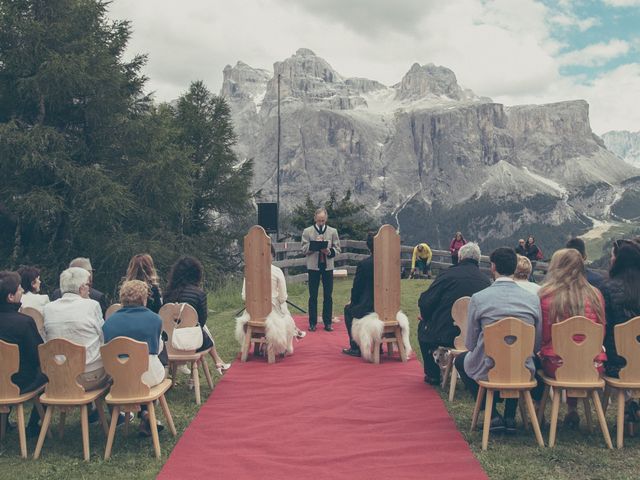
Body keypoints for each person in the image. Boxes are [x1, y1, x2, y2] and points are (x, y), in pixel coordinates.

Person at [455, 247, 541, 433]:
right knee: (514, 358)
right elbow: (537, 343)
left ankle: (492, 414)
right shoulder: (533, 300)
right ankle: (510, 415)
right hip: (522, 368)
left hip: (489, 366)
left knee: (461, 360)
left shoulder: (479, 298)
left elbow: (469, 343)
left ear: (493, 267)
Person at [538, 248, 606, 428]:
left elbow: (544, 336)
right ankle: (572, 409)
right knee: (578, 354)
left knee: (538, 359)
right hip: (592, 366)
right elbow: (601, 333)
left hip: (557, 365)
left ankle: (538, 409)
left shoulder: (546, 296)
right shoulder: (596, 295)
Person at [418, 243, 490, 385]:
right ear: (478, 260)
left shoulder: (446, 275)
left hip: (445, 334)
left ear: (460, 257)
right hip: (476, 337)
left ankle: (432, 374)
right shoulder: (486, 281)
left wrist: (426, 317)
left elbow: (426, 301)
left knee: (423, 329)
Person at [103, 280, 165, 437]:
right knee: (154, 367)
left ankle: (144, 415)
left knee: (137, 371)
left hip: (119, 378)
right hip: (147, 375)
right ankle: (146, 414)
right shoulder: (155, 319)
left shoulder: (108, 322)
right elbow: (157, 349)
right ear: (144, 298)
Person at [43, 267, 107, 390]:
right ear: (82, 287)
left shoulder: (48, 308)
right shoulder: (92, 305)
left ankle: (91, 408)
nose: (89, 289)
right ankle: (114, 408)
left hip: (58, 376)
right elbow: (103, 337)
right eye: (88, 285)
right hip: (89, 376)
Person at [0, 271, 47, 437]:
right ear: (10, 297)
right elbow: (38, 355)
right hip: (19, 382)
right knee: (48, 374)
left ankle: (3, 423)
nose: (22, 292)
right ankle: (34, 425)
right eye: (20, 289)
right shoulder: (24, 322)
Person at [164, 256, 230, 372]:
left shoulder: (167, 293)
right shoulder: (199, 294)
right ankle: (215, 363)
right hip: (192, 342)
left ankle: (217, 362)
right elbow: (202, 321)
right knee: (200, 328)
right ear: (196, 273)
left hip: (170, 343)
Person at [237, 245, 300, 356]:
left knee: (281, 308)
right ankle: (284, 347)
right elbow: (282, 297)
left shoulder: (249, 271)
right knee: (286, 315)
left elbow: (244, 296)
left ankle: (260, 347)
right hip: (272, 314)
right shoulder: (277, 271)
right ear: (272, 257)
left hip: (252, 314)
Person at [601, 241, 640, 380]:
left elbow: (604, 326)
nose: (611, 259)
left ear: (618, 261)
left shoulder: (607, 287)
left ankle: (629, 400)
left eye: (612, 256)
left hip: (618, 363)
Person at [300, 207, 341, 332]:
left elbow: (338, 249)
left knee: (328, 295)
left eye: (323, 220)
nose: (321, 223)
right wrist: (313, 246)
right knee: (313, 295)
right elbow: (303, 249)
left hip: (328, 267)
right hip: (313, 267)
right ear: (315, 219)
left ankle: (327, 322)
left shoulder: (333, 231)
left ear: (326, 219)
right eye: (319, 221)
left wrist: (328, 251)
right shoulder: (307, 231)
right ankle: (312, 323)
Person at [342, 232, 375, 357]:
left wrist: (353, 302)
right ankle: (379, 347)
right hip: (388, 308)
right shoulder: (391, 263)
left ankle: (355, 347)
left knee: (348, 310)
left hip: (369, 306)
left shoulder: (364, 264)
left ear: (368, 247)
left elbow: (357, 289)